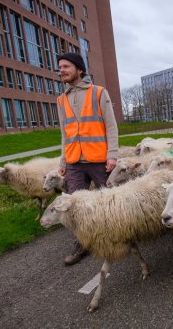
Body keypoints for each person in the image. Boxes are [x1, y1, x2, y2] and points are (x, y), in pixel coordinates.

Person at [56, 52, 119, 265]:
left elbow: (111, 125)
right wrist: (63, 160)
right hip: (74, 161)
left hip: (99, 158)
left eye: (66, 66)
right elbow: (65, 133)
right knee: (75, 205)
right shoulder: (61, 99)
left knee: (108, 202)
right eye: (60, 67)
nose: (61, 70)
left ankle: (114, 238)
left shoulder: (98, 92)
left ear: (79, 69)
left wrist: (112, 155)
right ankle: (82, 243)